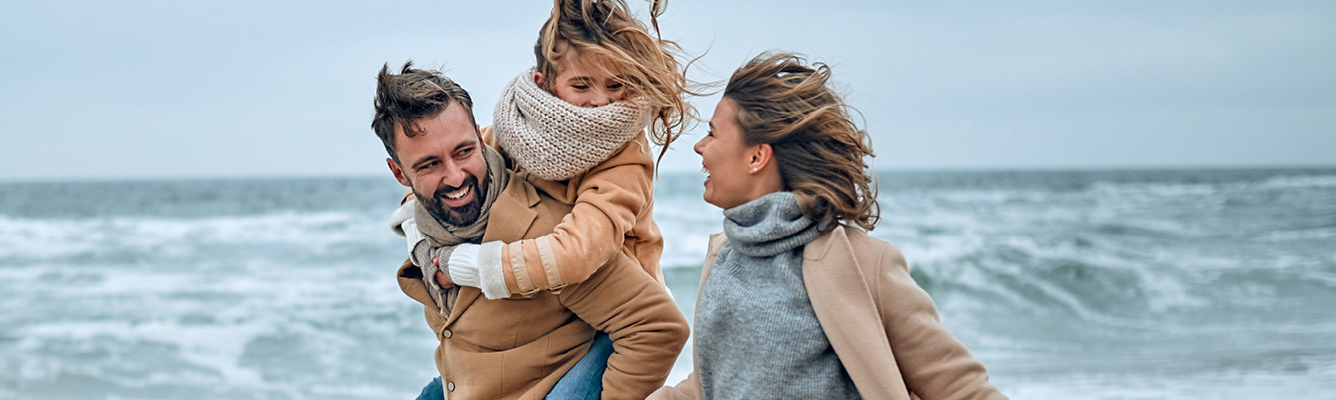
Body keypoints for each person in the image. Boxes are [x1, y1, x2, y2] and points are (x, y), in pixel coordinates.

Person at [647, 52, 1005, 400]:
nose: (699, 146)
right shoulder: (725, 256)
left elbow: (959, 388)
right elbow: (714, 383)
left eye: (712, 133)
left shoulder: (864, 264)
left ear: (757, 156)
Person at [373, 62, 688, 400]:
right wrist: (422, 246)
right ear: (399, 173)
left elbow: (659, 327)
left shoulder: (544, 233)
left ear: (480, 139)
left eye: (463, 151)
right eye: (430, 164)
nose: (455, 177)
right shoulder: (427, 229)